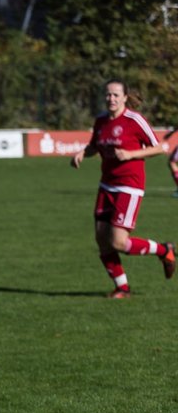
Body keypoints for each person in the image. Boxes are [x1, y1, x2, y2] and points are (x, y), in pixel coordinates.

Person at [71, 80, 173, 299]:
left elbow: (160, 147)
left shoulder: (134, 120)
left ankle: (165, 251)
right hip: (107, 185)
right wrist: (82, 153)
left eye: (116, 95)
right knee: (101, 239)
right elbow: (94, 147)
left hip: (130, 186)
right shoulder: (100, 121)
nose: (112, 99)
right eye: (108, 95)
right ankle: (122, 288)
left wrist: (130, 155)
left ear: (125, 97)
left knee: (118, 241)